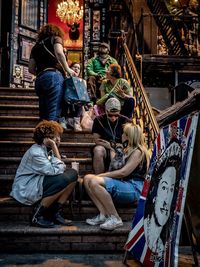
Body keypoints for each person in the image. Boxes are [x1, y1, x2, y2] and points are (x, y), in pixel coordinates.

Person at [10, 120, 78, 228]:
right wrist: (55, 147)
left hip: (38, 180)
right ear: (48, 139)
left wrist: (54, 149)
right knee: (63, 179)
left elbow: (59, 168)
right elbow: (56, 170)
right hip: (26, 187)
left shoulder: (46, 150)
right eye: (56, 137)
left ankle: (55, 212)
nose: (59, 140)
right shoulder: (36, 152)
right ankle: (36, 215)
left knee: (73, 174)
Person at [83, 123, 150, 231]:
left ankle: (115, 218)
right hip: (124, 184)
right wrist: (112, 149)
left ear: (129, 136)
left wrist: (101, 175)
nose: (121, 135)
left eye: (124, 133)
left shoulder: (138, 152)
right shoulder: (127, 150)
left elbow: (123, 173)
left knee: (95, 181)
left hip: (134, 187)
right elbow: (115, 167)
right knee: (87, 179)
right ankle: (103, 214)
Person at [28, 23, 75, 121]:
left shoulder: (35, 47)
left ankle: (43, 134)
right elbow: (59, 52)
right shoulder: (56, 38)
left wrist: (44, 74)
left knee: (43, 113)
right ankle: (51, 136)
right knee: (53, 112)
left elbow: (31, 69)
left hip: (40, 79)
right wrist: (67, 69)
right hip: (54, 76)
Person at [143, 152, 181, 258]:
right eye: (164, 188)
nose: (166, 200)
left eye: (171, 189)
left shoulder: (161, 244)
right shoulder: (143, 227)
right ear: (155, 193)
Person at [92, 97, 130, 174]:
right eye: (110, 115)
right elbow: (96, 140)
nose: (113, 118)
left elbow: (127, 140)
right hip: (105, 146)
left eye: (116, 115)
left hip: (120, 146)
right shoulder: (98, 120)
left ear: (119, 111)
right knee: (98, 150)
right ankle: (99, 178)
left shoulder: (125, 120)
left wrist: (119, 147)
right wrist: (111, 146)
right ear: (106, 111)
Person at [61, 62, 87, 131]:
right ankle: (63, 121)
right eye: (74, 67)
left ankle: (76, 123)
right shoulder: (64, 79)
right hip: (66, 102)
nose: (76, 69)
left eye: (78, 68)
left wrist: (83, 108)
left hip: (77, 104)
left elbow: (83, 96)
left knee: (79, 100)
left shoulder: (82, 81)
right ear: (70, 68)